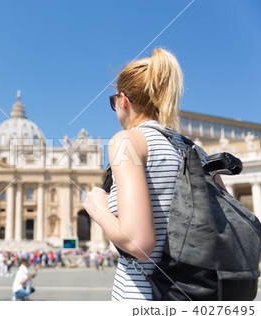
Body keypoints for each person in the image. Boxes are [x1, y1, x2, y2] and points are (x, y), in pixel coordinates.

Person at [83, 48, 225, 301]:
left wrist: (96, 206)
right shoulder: (199, 153)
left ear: (123, 100)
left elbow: (139, 243)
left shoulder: (127, 142)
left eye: (113, 102)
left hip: (146, 297)